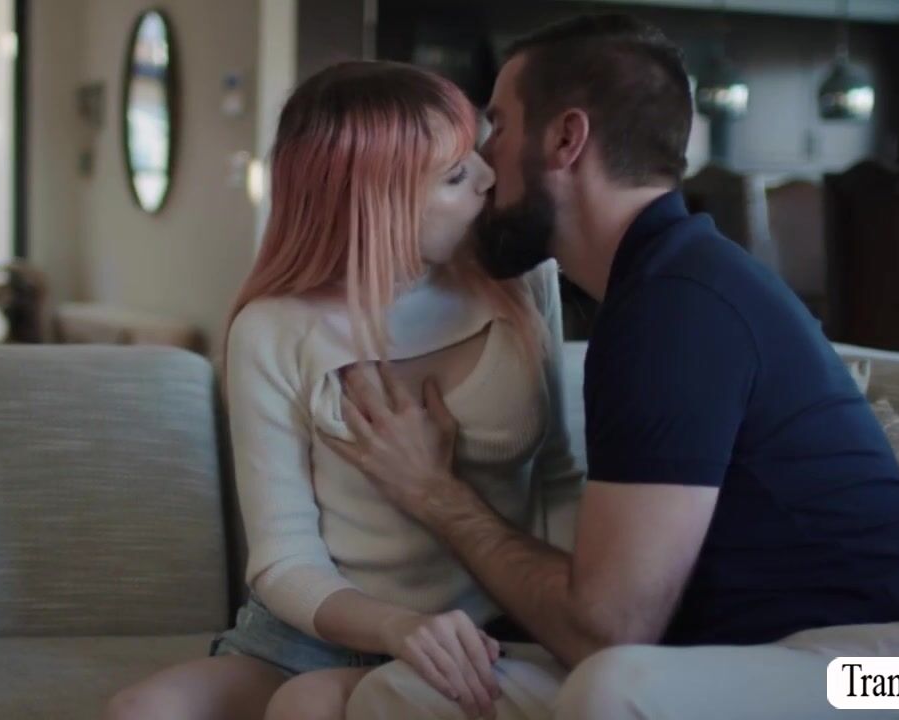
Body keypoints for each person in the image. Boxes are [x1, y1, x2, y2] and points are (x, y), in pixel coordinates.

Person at [329, 14, 899, 720]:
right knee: (403, 693)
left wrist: (436, 493)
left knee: (611, 687)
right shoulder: (648, 289)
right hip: (742, 658)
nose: (484, 165)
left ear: (565, 139)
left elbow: (609, 629)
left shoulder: (681, 301)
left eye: (498, 127)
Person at [104, 61, 582, 720]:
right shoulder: (271, 329)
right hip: (312, 638)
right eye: (454, 175)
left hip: (478, 638)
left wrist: (570, 622)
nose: (488, 176)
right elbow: (282, 558)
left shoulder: (523, 281)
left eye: (475, 151)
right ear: (375, 202)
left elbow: (558, 475)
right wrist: (396, 628)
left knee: (308, 707)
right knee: (141, 711)